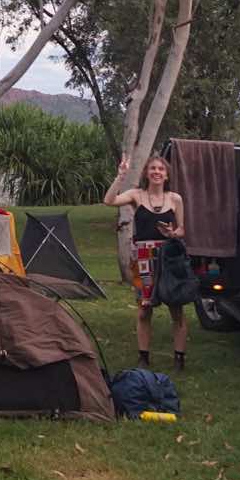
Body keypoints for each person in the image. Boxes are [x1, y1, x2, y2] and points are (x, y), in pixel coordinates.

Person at [104, 153, 189, 372]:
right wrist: (121, 176)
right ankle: (144, 357)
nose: (156, 172)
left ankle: (179, 358)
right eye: (152, 169)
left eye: (161, 169)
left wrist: (173, 233)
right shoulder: (136, 195)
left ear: (167, 174)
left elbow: (182, 230)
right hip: (143, 257)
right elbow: (109, 201)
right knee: (144, 310)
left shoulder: (175, 199)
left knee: (176, 308)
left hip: (168, 257)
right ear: (146, 173)